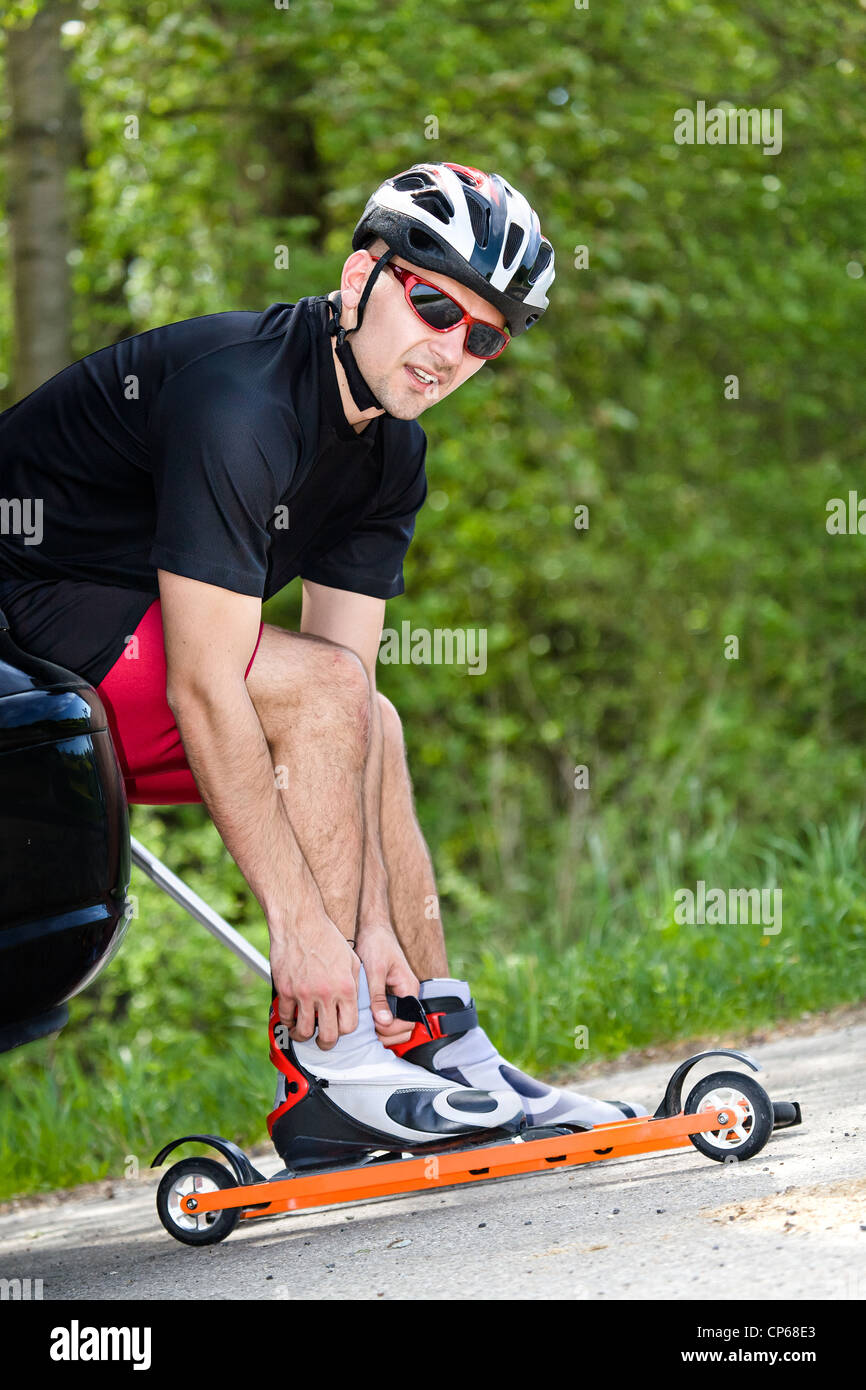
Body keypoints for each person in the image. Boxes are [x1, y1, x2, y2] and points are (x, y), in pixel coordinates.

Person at [0, 161, 643, 1169]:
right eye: (434, 307)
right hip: (22, 640)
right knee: (320, 695)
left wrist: (375, 928)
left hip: (126, 637)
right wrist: (306, 930)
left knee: (367, 713)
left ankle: (430, 1039)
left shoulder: (392, 454)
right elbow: (207, 689)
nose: (452, 352)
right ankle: (328, 1067)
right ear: (358, 280)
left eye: (485, 336)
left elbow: (345, 706)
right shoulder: (241, 401)